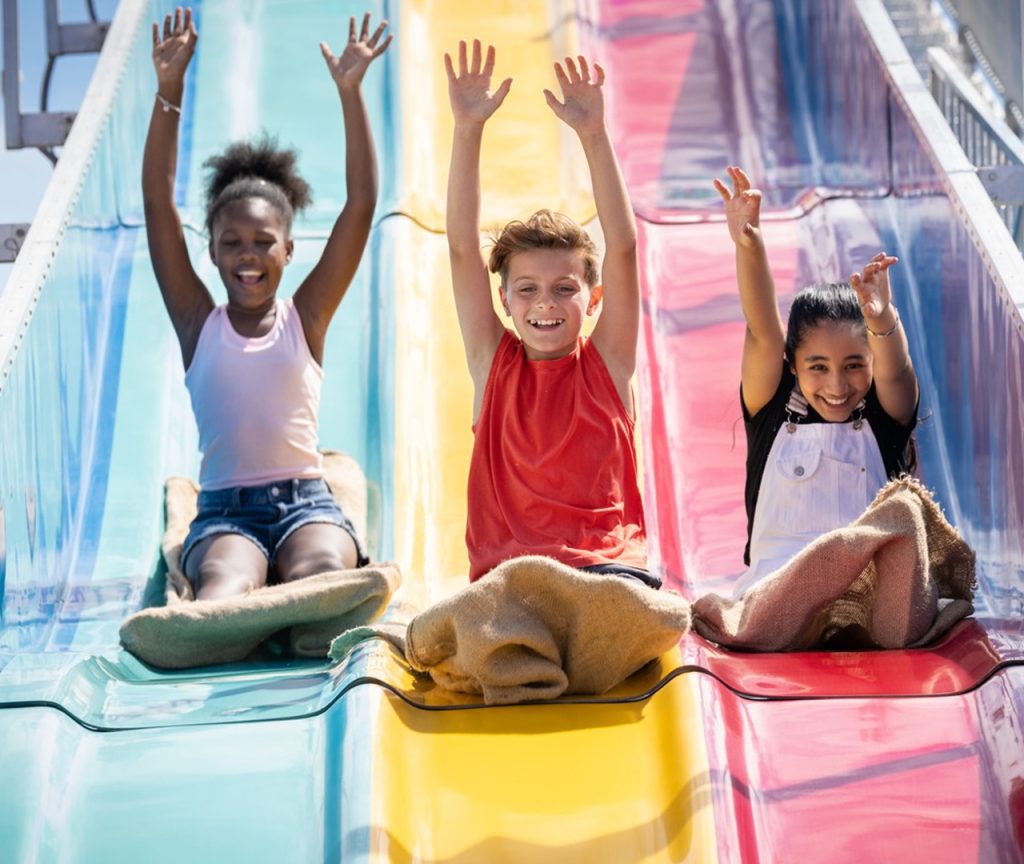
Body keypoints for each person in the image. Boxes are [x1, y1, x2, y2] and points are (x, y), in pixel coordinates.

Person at [142, 8, 391, 600]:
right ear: (211, 249)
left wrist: (351, 94)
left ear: (288, 250)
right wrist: (169, 90)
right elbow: (157, 205)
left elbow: (360, 205)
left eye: (262, 243)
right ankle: (245, 593)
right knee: (223, 590)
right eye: (231, 243)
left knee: (324, 575)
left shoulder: (306, 318)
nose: (247, 256)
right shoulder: (198, 322)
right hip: (227, 513)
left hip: (305, 500)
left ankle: (300, 584)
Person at [445, 40, 654, 588]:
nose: (545, 303)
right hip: (511, 578)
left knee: (622, 613)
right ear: (504, 300)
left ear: (594, 296)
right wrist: (468, 129)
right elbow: (464, 248)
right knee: (501, 623)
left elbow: (625, 248)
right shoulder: (493, 363)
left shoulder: (607, 363)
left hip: (606, 574)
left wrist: (593, 135)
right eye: (528, 289)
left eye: (565, 288)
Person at [714, 165, 919, 598]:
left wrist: (881, 318)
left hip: (869, 587)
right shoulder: (771, 410)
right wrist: (749, 244)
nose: (837, 385)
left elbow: (896, 369)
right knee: (772, 605)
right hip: (782, 586)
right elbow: (764, 330)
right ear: (793, 365)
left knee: (898, 595)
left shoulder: (885, 416)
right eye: (819, 367)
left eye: (853, 365)